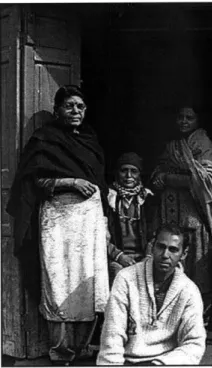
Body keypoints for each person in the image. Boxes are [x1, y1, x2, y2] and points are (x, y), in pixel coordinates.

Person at [6, 85, 110, 365]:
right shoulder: (45, 139)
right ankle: (60, 350)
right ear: (57, 110)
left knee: (87, 280)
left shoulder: (91, 141)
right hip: (59, 220)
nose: (76, 111)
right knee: (59, 279)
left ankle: (82, 347)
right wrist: (70, 182)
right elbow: (34, 182)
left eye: (80, 107)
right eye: (69, 106)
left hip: (89, 221)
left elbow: (100, 182)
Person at [97, 223, 206, 366]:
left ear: (183, 254)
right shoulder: (126, 278)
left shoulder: (189, 291)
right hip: (127, 362)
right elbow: (112, 335)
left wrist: (161, 363)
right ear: (152, 247)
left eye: (173, 250)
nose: (165, 255)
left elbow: (194, 344)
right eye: (161, 247)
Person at [151, 106, 212, 317]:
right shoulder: (172, 145)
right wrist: (159, 177)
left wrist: (170, 178)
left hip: (192, 215)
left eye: (189, 117)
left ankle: (196, 314)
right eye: (180, 117)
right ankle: (169, 312)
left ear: (198, 120)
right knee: (168, 258)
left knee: (194, 264)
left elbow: (206, 179)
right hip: (170, 212)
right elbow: (158, 172)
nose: (183, 121)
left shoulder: (204, 144)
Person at [106, 152, 154, 286]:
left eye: (134, 171)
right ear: (117, 173)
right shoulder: (108, 198)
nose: (128, 176)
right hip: (117, 258)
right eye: (124, 171)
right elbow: (99, 235)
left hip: (143, 257)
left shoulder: (148, 199)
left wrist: (148, 257)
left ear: (140, 175)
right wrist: (119, 256)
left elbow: (156, 233)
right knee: (118, 276)